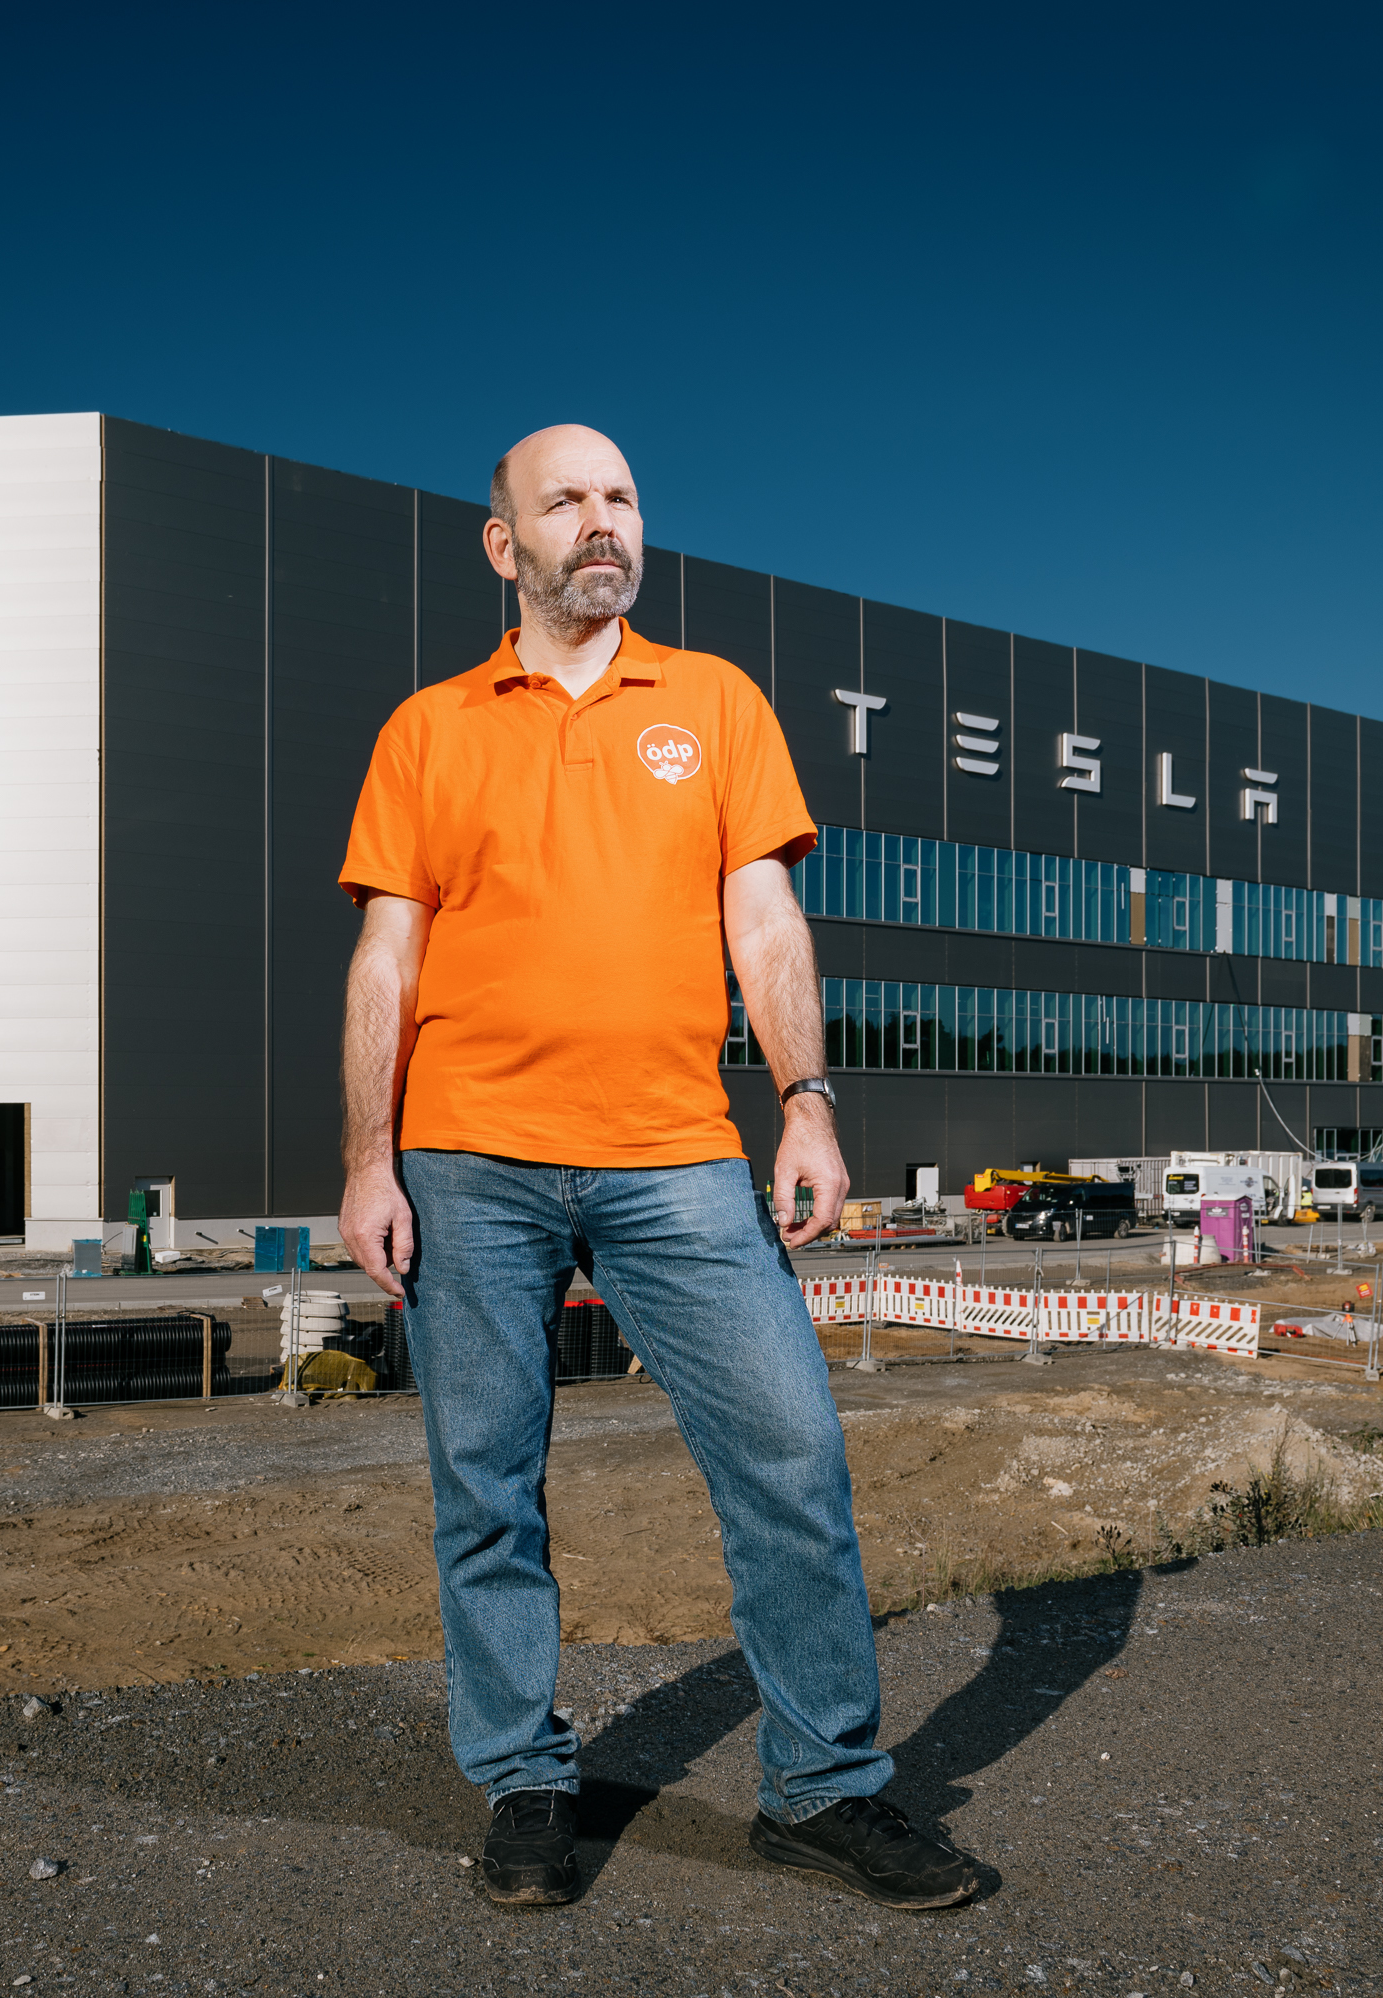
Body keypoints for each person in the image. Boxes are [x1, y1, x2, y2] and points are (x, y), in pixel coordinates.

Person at [334, 426, 978, 1912]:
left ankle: (821, 1789)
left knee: (792, 1456)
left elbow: (764, 924)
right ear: (506, 546)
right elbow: (388, 958)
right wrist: (369, 1157)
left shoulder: (718, 703)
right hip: (467, 1157)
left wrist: (805, 1100)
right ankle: (524, 1778)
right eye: (564, 500)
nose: (601, 520)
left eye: (620, 496)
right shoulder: (428, 730)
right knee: (486, 1487)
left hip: (677, 1155)